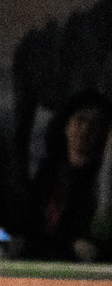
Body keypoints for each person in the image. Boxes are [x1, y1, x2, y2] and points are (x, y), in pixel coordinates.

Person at [15, 88, 111, 262]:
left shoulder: (103, 181)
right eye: (80, 120)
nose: (85, 129)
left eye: (95, 124)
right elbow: (29, 223)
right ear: (66, 126)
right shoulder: (48, 171)